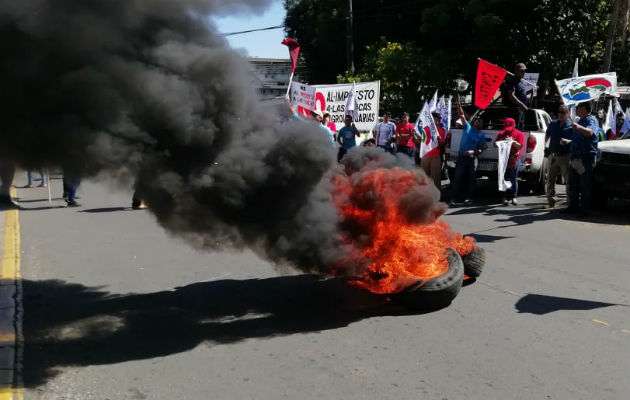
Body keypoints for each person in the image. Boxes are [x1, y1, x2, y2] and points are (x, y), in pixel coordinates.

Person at [563, 101, 598, 218]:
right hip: (576, 157)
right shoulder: (580, 120)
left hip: (585, 158)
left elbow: (590, 133)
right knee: (573, 183)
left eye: (579, 106)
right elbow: (579, 139)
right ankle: (573, 206)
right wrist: (569, 142)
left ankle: (584, 210)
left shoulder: (591, 120)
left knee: (584, 185)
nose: (576, 108)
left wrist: (578, 127)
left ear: (585, 108)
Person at [450, 98, 486, 205]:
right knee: (457, 178)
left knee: (471, 179)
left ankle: (469, 197)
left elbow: (482, 148)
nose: (477, 121)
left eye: (479, 121)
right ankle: (454, 198)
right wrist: (459, 104)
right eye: (476, 119)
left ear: (481, 125)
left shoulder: (481, 135)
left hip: (472, 159)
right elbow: (461, 114)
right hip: (461, 157)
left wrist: (473, 152)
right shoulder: (468, 127)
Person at [544, 104, 573, 207]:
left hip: (565, 156)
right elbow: (547, 134)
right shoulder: (553, 123)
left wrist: (568, 141)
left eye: (563, 112)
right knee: (550, 180)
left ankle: (570, 203)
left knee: (568, 181)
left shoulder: (572, 125)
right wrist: (546, 144)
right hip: (553, 155)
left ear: (568, 114)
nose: (560, 114)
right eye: (559, 112)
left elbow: (575, 140)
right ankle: (551, 201)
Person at [494, 117, 524, 205]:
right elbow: (495, 144)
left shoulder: (519, 134)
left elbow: (520, 146)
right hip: (504, 158)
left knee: (513, 178)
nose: (507, 129)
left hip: (513, 158)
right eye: (505, 126)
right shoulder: (501, 133)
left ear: (514, 125)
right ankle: (503, 197)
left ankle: (514, 197)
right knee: (504, 178)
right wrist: (502, 141)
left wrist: (512, 141)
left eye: (509, 127)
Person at [420, 111, 446, 190]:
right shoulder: (425, 129)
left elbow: (441, 145)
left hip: (435, 157)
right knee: (423, 177)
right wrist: (414, 136)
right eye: (435, 119)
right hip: (425, 156)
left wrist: (439, 141)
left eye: (438, 119)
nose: (437, 121)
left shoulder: (441, 130)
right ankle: (422, 195)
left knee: (435, 179)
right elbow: (420, 142)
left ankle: (435, 197)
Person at [502, 63, 529, 130]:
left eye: (524, 71)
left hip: (521, 110)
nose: (524, 72)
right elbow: (511, 95)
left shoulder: (521, 81)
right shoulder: (512, 81)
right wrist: (522, 105)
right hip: (515, 110)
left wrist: (531, 91)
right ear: (516, 71)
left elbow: (521, 94)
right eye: (522, 71)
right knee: (515, 130)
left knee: (520, 129)